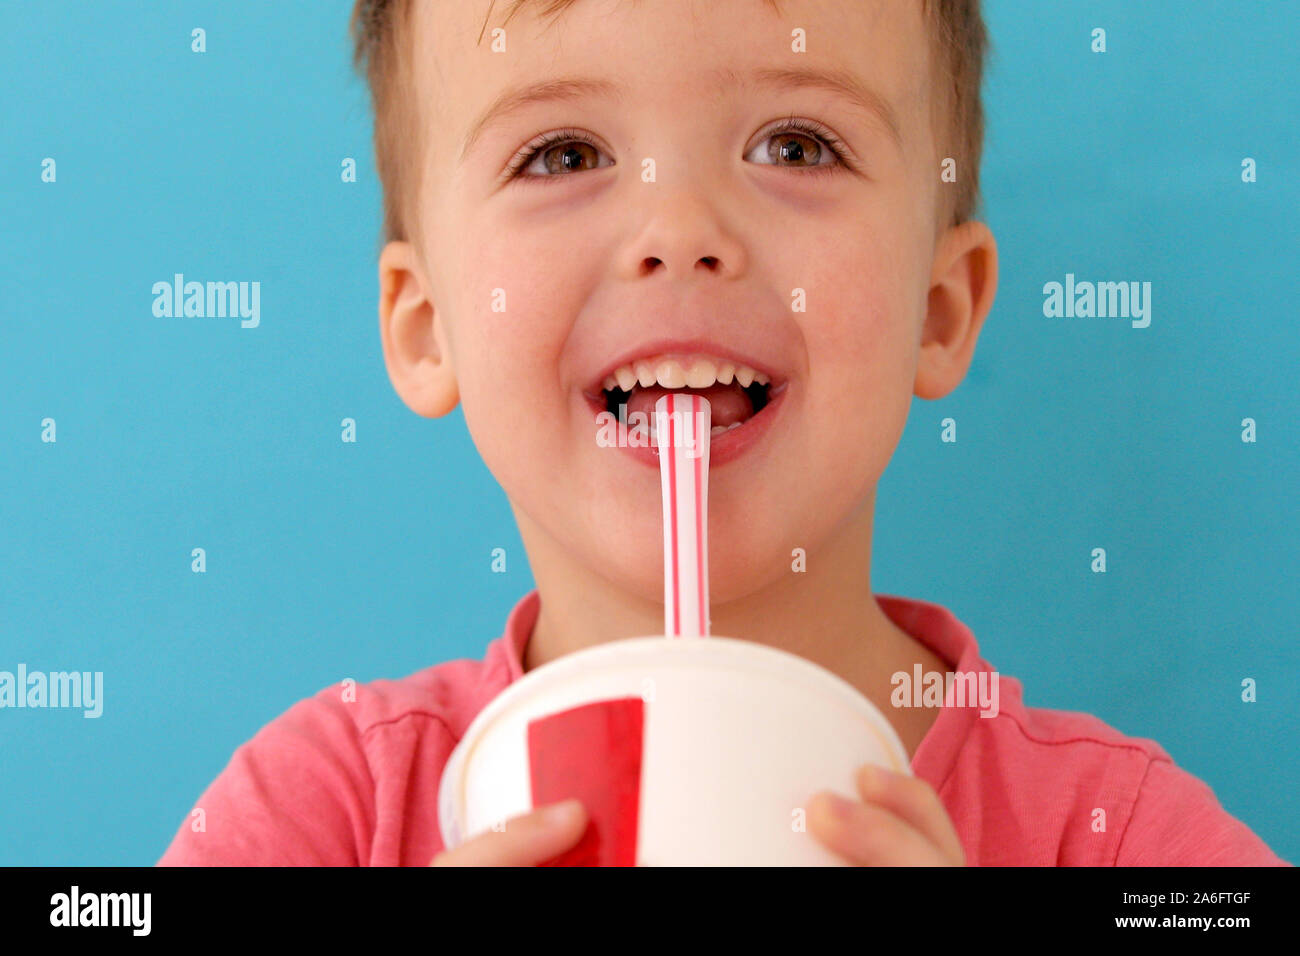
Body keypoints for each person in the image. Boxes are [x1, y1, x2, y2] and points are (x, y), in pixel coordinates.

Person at [158, 0, 1288, 866]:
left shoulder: (1115, 838)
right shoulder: (327, 811)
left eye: (794, 145)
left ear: (938, 312)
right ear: (425, 326)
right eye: (561, 154)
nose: (678, 229)